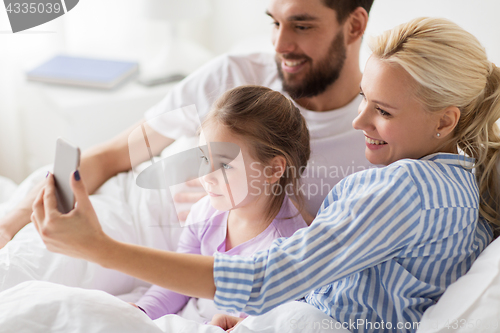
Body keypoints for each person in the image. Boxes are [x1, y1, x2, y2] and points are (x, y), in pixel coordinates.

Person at [33, 17, 500, 332]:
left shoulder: (407, 189)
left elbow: (264, 280)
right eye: (363, 99)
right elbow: (370, 291)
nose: (359, 122)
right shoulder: (462, 185)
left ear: (446, 121)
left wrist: (100, 249)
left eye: (382, 110)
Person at [0, 0, 375, 249]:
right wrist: (11, 224)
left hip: (200, 263)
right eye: (274, 23)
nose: (279, 44)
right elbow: (116, 154)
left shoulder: (379, 133)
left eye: (301, 26)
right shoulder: (235, 74)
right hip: (132, 215)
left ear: (355, 25)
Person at [131, 85, 311, 322]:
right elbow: (178, 280)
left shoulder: (289, 245)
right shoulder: (205, 213)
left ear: (274, 169)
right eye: (204, 158)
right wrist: (141, 312)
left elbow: (269, 321)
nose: (206, 176)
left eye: (225, 165)